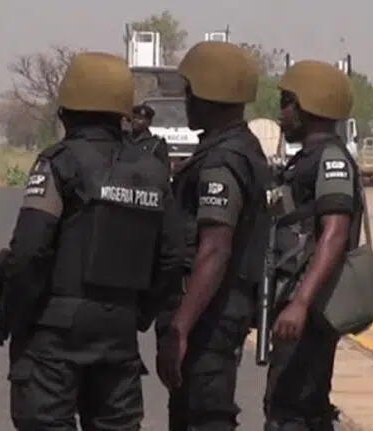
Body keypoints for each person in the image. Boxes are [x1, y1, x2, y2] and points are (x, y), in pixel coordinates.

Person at [0, 52, 182, 431]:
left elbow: (30, 249)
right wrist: (137, 313)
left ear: (67, 111)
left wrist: (18, 315)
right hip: (119, 334)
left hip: (54, 334)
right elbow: (171, 257)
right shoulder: (153, 171)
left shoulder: (58, 163)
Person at [155, 41, 271, 431]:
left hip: (210, 315)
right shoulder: (239, 150)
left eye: (190, 92)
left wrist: (180, 326)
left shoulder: (222, 161)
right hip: (216, 310)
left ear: (210, 95)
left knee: (206, 416)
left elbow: (216, 249)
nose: (186, 101)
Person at [263, 60, 359, 431]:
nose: (282, 113)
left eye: (287, 102)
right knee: (297, 407)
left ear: (308, 107)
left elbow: (335, 232)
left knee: (291, 410)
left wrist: (301, 303)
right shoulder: (308, 159)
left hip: (311, 307)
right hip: (299, 300)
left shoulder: (331, 159)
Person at [131, 104, 170, 168]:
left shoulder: (156, 144)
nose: (136, 121)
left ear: (149, 122)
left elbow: (164, 169)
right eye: (134, 117)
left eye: (140, 118)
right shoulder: (125, 140)